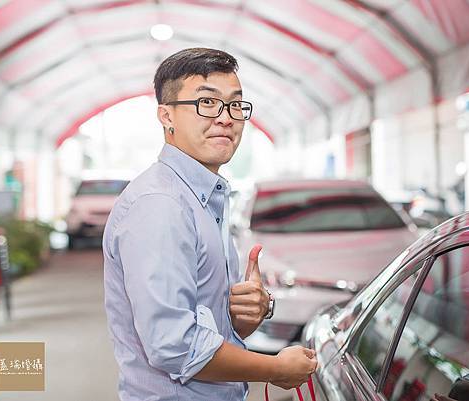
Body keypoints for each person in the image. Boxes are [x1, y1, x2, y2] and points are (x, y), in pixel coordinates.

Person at [102, 48, 317, 401]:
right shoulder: (161, 205)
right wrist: (275, 369)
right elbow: (175, 346)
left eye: (236, 105)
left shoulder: (203, 198)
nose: (225, 118)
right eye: (207, 103)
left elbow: (207, 324)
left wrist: (245, 314)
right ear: (166, 116)